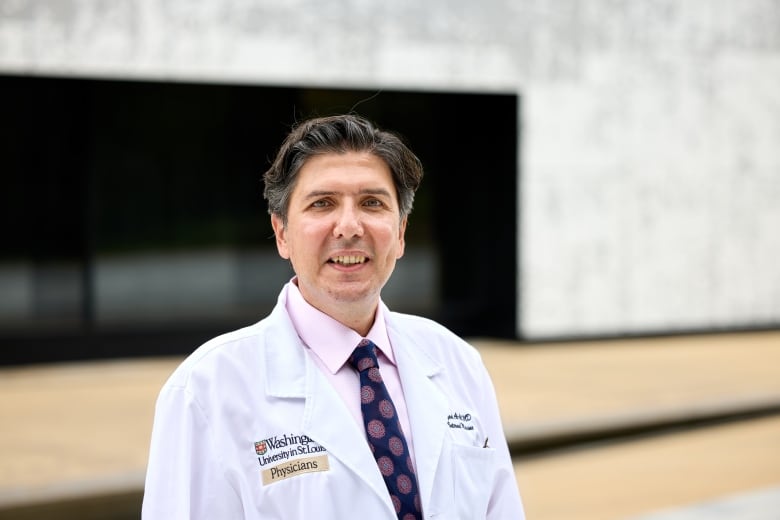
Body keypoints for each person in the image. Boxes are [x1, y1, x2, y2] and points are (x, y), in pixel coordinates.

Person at [141, 114, 525, 519]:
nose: (349, 226)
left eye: (372, 203)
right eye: (322, 203)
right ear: (282, 232)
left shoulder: (457, 362)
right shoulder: (205, 391)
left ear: (401, 233)